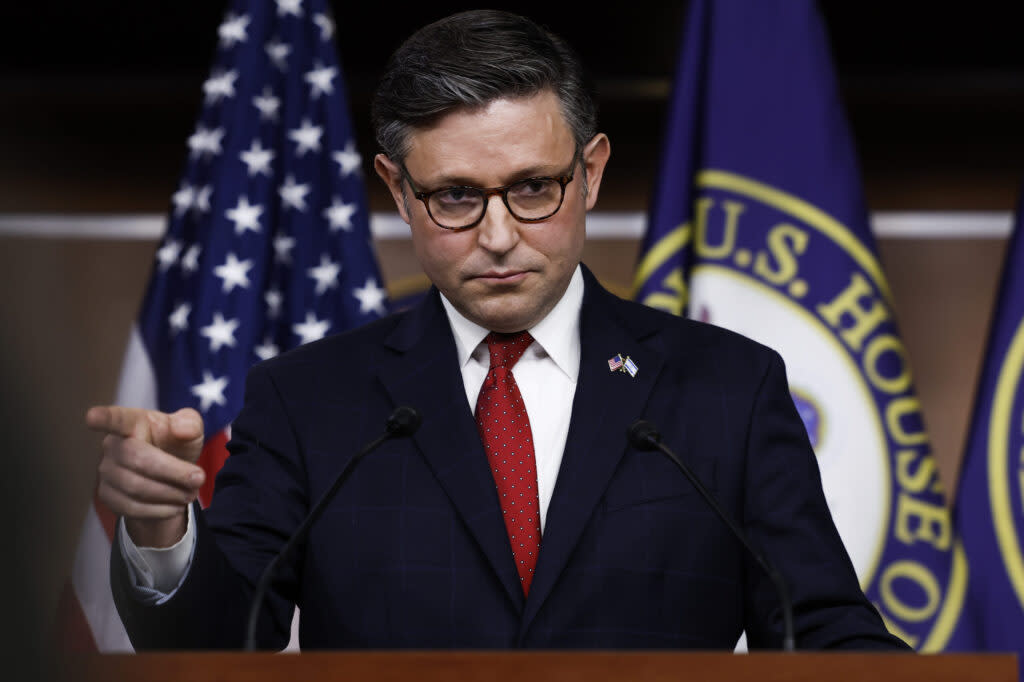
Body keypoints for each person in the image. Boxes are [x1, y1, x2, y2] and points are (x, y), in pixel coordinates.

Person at [88, 10, 908, 651]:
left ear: (588, 173)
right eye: (455, 197)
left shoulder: (727, 388)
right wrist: (161, 531)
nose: (500, 234)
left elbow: (823, 637)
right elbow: (216, 646)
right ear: (398, 191)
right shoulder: (308, 400)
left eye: (532, 188)